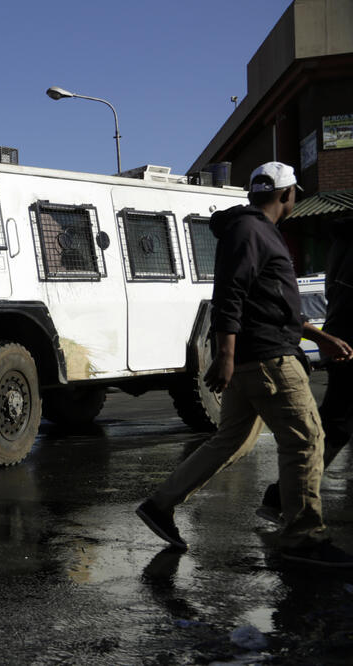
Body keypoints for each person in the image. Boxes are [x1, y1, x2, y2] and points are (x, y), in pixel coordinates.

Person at [136, 161, 353, 567]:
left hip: (259, 355)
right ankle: (302, 537)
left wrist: (319, 336)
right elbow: (229, 294)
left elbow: (269, 304)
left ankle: (160, 505)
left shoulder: (255, 230)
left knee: (232, 440)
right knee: (307, 440)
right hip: (268, 360)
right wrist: (225, 356)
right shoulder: (251, 231)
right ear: (287, 195)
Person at [258, 215, 353, 523]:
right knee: (336, 425)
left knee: (336, 424)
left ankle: (281, 498)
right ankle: (285, 501)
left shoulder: (342, 241)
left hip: (343, 338)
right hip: (348, 344)